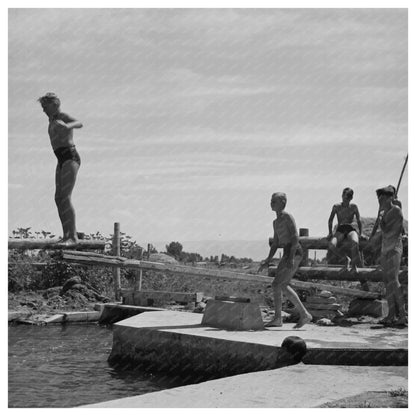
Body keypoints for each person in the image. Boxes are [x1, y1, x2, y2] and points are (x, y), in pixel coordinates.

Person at [258, 192, 312, 329]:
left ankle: (302, 314)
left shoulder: (287, 217)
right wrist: (267, 260)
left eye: (274, 201)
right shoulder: (275, 222)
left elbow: (295, 237)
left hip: (295, 252)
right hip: (286, 254)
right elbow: (275, 244)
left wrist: (292, 257)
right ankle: (279, 318)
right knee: (278, 284)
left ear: (282, 202)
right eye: (271, 201)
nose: (271, 203)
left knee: (280, 284)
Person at [38, 93, 83, 245]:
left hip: (70, 156)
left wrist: (67, 125)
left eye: (45, 107)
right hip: (60, 159)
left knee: (65, 196)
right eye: (42, 107)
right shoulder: (51, 120)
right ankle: (66, 235)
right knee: (58, 198)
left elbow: (79, 123)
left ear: (55, 104)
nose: (43, 110)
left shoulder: (62, 115)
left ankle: (73, 237)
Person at [370, 185, 407, 326]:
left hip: (394, 248)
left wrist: (383, 225)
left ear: (390, 197)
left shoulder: (396, 210)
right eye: (379, 198)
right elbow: (384, 230)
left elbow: (394, 231)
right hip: (385, 248)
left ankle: (402, 315)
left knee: (394, 280)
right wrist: (381, 220)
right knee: (387, 281)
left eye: (383, 197)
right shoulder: (383, 212)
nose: (381, 200)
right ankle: (391, 314)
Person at [327, 188, 364, 274]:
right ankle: (346, 259)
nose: (346, 199)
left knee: (355, 242)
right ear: (342, 196)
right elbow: (330, 220)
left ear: (351, 198)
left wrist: (361, 233)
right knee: (331, 245)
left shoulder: (354, 207)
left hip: (350, 228)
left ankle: (354, 266)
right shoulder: (336, 206)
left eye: (348, 197)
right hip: (340, 229)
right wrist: (330, 232)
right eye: (345, 196)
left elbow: (359, 220)